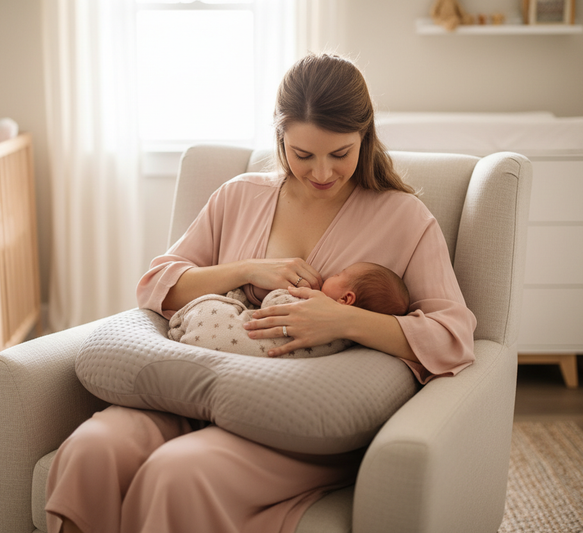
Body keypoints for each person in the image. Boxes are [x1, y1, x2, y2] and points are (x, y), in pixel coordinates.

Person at [46, 52, 476, 533]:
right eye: (302, 154)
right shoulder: (240, 195)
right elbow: (158, 286)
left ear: (366, 136)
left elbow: (452, 336)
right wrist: (247, 270)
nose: (321, 173)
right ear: (280, 138)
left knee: (178, 474)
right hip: (192, 395)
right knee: (91, 449)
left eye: (340, 154)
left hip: (293, 423)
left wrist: (343, 321)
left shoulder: (404, 218)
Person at [168, 262, 409, 358]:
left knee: (214, 307)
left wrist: (289, 290)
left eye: (338, 275)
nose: (330, 275)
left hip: (221, 339)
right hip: (235, 356)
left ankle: (185, 327)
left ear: (347, 299)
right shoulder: (348, 343)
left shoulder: (315, 310)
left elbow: (273, 305)